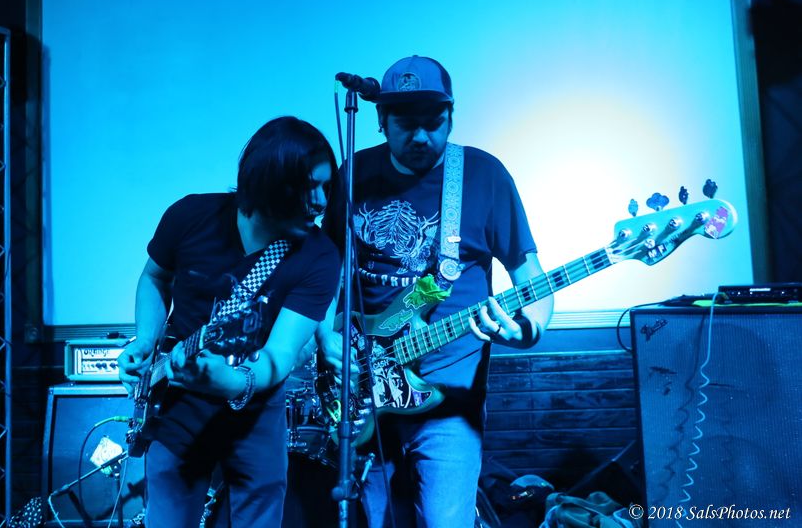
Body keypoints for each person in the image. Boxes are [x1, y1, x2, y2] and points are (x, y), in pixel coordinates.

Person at [317, 55, 554, 527]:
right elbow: (328, 270)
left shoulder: (484, 176)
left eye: (434, 122)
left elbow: (529, 274)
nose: (422, 137)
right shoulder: (354, 174)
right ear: (382, 120)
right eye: (407, 125)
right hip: (362, 385)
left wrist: (529, 329)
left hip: (449, 392)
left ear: (451, 116)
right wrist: (325, 335)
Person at [118, 116, 341, 527]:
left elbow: (279, 354)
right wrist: (145, 340)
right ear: (270, 181)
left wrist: (234, 382)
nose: (321, 202)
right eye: (309, 187)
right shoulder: (190, 215)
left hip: (256, 415)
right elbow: (154, 277)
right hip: (176, 411)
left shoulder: (319, 256)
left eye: (327, 187)